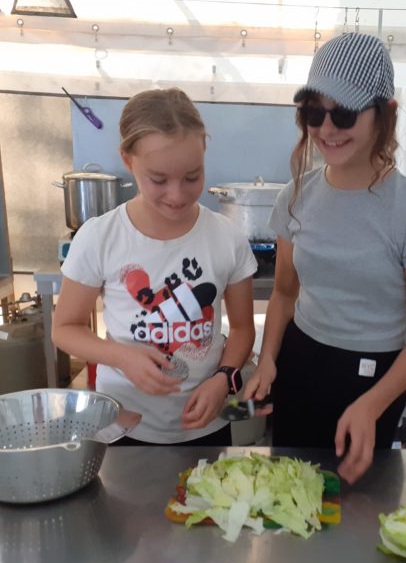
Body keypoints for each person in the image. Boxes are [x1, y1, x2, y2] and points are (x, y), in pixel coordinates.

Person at [244, 33, 406, 483]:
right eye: (314, 113)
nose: (326, 129)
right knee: (288, 492)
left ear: (385, 114)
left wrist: (372, 404)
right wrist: (267, 359)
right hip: (299, 362)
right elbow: (283, 294)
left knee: (359, 503)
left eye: (344, 113)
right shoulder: (296, 195)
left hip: (374, 378)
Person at [52, 88, 257, 445]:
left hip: (205, 423)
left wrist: (224, 378)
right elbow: (65, 329)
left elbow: (241, 329)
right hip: (124, 423)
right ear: (128, 160)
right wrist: (121, 357)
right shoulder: (101, 236)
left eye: (192, 177)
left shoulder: (227, 237)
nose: (177, 195)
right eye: (158, 180)